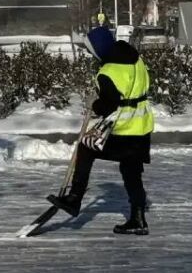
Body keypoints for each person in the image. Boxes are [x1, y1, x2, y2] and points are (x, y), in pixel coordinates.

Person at [50, 25, 154, 235]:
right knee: (131, 172)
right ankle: (138, 218)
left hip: (121, 130)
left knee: (86, 148)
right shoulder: (136, 59)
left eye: (91, 51)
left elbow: (109, 105)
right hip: (141, 128)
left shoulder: (107, 72)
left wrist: (94, 104)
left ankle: (74, 198)